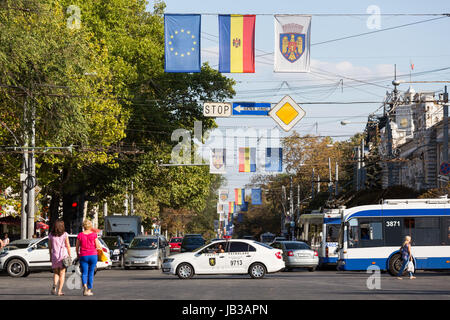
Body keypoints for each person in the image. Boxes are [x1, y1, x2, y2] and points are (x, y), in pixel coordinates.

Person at [76, 219, 102, 296]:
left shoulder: (80, 235)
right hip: (93, 255)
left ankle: (85, 287)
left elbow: (77, 247)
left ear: (83, 226)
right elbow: (97, 246)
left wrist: (78, 255)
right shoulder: (94, 235)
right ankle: (89, 290)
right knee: (91, 273)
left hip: (83, 255)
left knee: (84, 273)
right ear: (90, 226)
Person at [48, 220, 71, 296]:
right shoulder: (64, 234)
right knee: (62, 273)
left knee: (56, 273)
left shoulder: (51, 235)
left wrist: (51, 256)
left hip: (55, 255)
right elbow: (67, 245)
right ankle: (59, 291)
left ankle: (54, 286)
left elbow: (50, 247)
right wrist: (70, 255)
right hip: (63, 256)